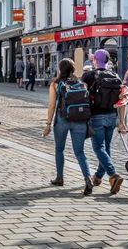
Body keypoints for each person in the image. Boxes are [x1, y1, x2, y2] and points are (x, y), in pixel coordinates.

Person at [43, 58, 93, 195]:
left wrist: (48, 124)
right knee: (80, 152)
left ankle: (60, 178)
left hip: (62, 120)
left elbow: (52, 105)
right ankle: (88, 179)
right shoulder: (81, 83)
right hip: (80, 121)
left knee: (59, 149)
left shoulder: (55, 84)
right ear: (73, 69)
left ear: (60, 69)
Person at [81, 49, 124, 194]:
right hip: (112, 115)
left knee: (99, 148)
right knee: (106, 148)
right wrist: (122, 121)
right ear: (107, 61)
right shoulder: (115, 75)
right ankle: (98, 177)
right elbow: (122, 100)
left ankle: (113, 175)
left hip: (96, 116)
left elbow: (82, 93)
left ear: (94, 60)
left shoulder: (89, 75)